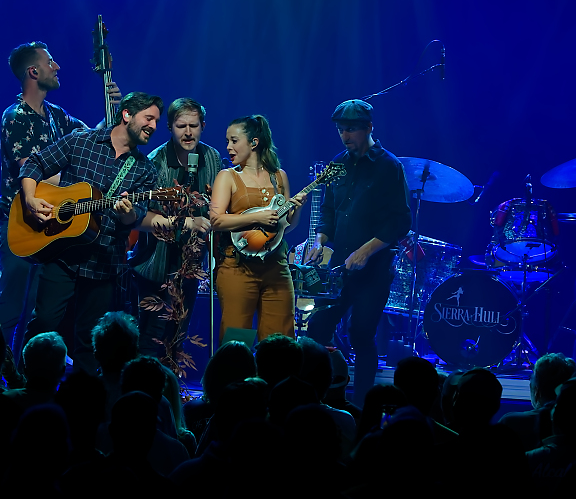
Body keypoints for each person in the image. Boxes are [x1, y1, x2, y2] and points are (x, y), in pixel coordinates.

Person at [18, 93, 161, 376]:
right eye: (149, 118)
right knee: (43, 324)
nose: (154, 126)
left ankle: (83, 396)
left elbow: (136, 216)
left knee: (89, 340)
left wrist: (127, 214)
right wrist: (30, 199)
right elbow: (35, 163)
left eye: (156, 121)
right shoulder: (81, 141)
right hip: (62, 253)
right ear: (127, 115)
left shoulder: (145, 169)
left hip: (103, 262)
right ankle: (24, 385)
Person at [0, 41, 120, 355]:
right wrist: (79, 181)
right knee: (11, 306)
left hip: (51, 225)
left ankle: (24, 371)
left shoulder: (57, 116)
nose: (57, 67)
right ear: (33, 72)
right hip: (20, 221)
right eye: (50, 62)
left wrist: (114, 110)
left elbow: (92, 139)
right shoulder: (15, 116)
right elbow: (31, 169)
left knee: (38, 311)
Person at [304, 99, 411, 403]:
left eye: (351, 129)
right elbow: (328, 210)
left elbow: (400, 221)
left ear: (369, 128)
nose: (345, 136)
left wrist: (367, 250)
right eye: (341, 130)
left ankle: (364, 406)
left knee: (361, 333)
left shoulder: (389, 166)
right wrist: (319, 241)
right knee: (318, 327)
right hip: (341, 265)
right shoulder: (337, 164)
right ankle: (316, 400)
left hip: (375, 267)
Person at [129, 98, 221, 358]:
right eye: (181, 126)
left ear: (203, 126)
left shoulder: (212, 158)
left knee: (177, 339)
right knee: (151, 340)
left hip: (190, 267)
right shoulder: (154, 162)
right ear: (170, 127)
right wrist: (185, 223)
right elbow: (138, 218)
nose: (188, 132)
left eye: (194, 126)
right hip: (155, 267)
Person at [209, 115, 307, 342]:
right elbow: (216, 220)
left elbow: (285, 228)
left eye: (234, 141)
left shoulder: (279, 177)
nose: (228, 147)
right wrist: (258, 217)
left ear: (254, 142)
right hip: (237, 267)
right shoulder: (227, 176)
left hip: (276, 267)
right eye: (227, 141)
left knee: (280, 340)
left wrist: (297, 209)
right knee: (237, 338)